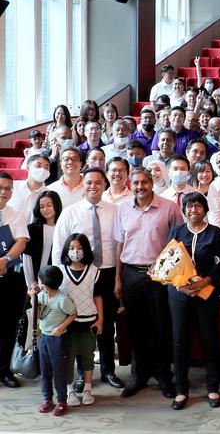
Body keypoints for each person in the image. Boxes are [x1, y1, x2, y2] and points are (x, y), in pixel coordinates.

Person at [49, 167, 124, 390]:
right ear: (83, 185)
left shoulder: (115, 210)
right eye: (89, 182)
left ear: (105, 185)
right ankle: (82, 373)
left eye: (98, 183)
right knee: (81, 326)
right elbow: (58, 249)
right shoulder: (70, 212)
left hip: (107, 272)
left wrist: (119, 277)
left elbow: (120, 244)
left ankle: (109, 370)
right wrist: (59, 281)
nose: (93, 186)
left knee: (107, 324)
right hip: (77, 277)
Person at [114, 167, 184, 398]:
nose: (140, 187)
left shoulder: (169, 208)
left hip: (160, 276)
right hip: (131, 274)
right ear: (129, 185)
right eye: (136, 183)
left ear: (152, 183)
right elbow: (119, 245)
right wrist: (117, 277)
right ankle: (139, 374)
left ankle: (164, 374)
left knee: (161, 326)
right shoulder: (122, 209)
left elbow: (179, 242)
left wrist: (167, 266)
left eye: (145, 182)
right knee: (136, 326)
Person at [166, 192, 220, 410]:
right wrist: (181, 286)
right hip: (179, 295)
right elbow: (168, 264)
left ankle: (213, 388)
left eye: (198, 206)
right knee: (179, 341)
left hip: (206, 294)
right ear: (183, 210)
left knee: (209, 340)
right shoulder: (176, 232)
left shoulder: (215, 233)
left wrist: (204, 282)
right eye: (189, 206)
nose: (194, 210)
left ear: (205, 209)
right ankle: (182, 390)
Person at [55, 233, 101, 408]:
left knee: (88, 356)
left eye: (80, 248)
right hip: (67, 323)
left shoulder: (94, 271)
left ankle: (88, 389)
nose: (76, 251)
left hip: (89, 320)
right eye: (72, 248)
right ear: (67, 250)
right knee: (68, 357)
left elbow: (98, 297)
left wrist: (100, 319)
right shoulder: (60, 271)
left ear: (86, 250)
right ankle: (70, 390)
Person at [32, 265, 77, 416]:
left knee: (59, 371)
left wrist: (61, 327)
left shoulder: (62, 300)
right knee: (45, 370)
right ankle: (47, 399)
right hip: (43, 337)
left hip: (58, 340)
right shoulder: (42, 296)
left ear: (44, 285)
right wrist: (33, 298)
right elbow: (38, 315)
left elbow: (73, 314)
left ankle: (62, 401)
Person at [0, 172, 31, 389]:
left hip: (10, 277)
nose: (4, 191)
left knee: (9, 325)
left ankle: (4, 371)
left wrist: (5, 259)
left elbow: (22, 241)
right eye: (1, 187)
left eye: (8, 188)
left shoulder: (16, 214)